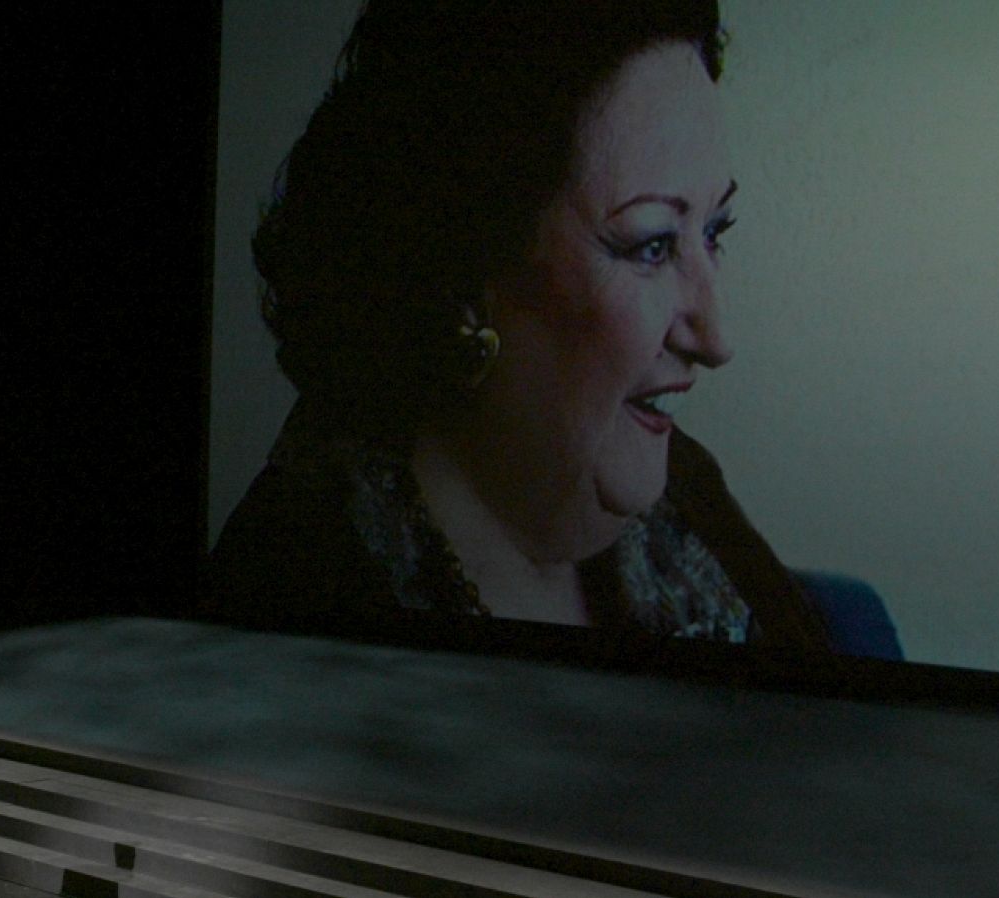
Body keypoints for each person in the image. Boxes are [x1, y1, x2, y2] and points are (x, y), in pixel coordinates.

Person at [208, 0, 901, 658]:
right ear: (465, 271)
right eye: (652, 245)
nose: (716, 339)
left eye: (714, 231)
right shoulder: (296, 593)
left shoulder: (685, 490)